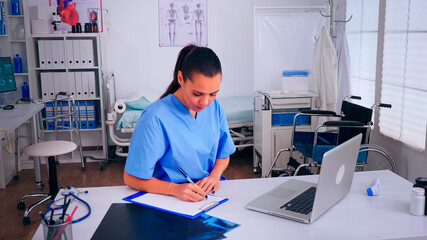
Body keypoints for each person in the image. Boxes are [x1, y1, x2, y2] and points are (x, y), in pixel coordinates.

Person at [124, 44, 236, 202]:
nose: (205, 102)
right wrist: (174, 189)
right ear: (180, 78)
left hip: (206, 198)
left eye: (213, 94)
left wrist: (214, 176)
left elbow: (223, 154)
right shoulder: (155, 118)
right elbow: (131, 178)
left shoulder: (214, 108)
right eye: (197, 94)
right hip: (166, 199)